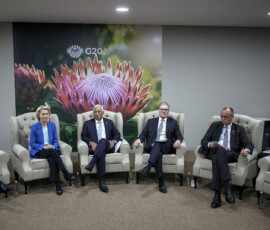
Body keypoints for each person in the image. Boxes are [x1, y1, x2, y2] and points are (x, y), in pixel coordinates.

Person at [199, 107, 253, 208]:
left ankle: (217, 195)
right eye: (222, 116)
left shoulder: (239, 129)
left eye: (226, 117)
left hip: (230, 153)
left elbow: (249, 144)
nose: (223, 119)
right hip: (213, 150)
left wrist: (246, 150)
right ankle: (227, 189)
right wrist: (210, 144)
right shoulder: (215, 125)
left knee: (217, 157)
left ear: (232, 117)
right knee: (219, 151)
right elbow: (203, 140)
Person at [133, 102, 183, 193]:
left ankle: (149, 166)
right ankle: (161, 180)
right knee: (158, 151)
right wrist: (139, 140)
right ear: (159, 111)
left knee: (158, 145)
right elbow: (144, 133)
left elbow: (179, 135)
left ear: (168, 111)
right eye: (162, 109)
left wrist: (178, 141)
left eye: (166, 109)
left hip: (167, 146)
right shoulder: (151, 121)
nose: (164, 111)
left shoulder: (173, 122)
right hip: (153, 146)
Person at [29, 105, 75, 196]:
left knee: (51, 158)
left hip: (51, 150)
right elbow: (32, 143)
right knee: (52, 152)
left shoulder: (52, 125)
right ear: (39, 115)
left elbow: (55, 140)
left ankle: (58, 185)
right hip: (39, 150)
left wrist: (53, 146)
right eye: (43, 114)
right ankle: (65, 173)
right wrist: (43, 146)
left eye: (47, 114)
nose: (45, 116)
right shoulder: (34, 127)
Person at [82, 105, 122, 193]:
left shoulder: (110, 122)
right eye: (95, 112)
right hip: (95, 148)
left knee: (103, 140)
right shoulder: (87, 124)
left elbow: (117, 134)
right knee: (101, 153)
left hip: (108, 146)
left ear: (103, 113)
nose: (97, 114)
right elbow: (83, 136)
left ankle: (92, 162)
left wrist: (114, 141)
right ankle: (102, 182)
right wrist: (90, 142)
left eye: (99, 112)